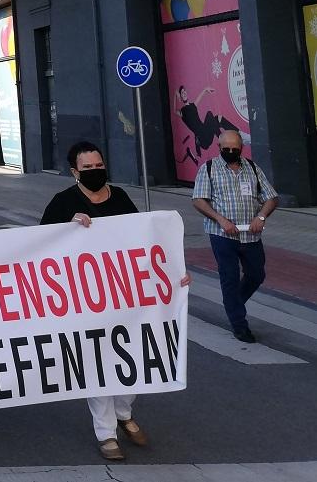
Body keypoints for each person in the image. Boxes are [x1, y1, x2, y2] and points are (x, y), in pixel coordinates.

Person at [41, 141, 191, 461]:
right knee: (97, 364)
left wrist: (173, 272)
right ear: (74, 172)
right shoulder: (62, 203)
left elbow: (144, 242)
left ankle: (124, 413)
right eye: (88, 169)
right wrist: (67, 228)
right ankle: (106, 433)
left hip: (127, 297)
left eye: (100, 166)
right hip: (85, 300)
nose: (96, 172)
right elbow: (40, 247)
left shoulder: (120, 197)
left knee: (132, 358)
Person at [191, 129, 278, 342]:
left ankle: (233, 303)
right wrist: (221, 220)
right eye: (226, 148)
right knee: (229, 278)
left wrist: (262, 217)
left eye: (235, 148)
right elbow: (198, 200)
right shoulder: (209, 169)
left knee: (256, 274)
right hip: (222, 234)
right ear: (219, 148)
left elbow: (271, 197)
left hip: (250, 234)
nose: (230, 151)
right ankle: (240, 325)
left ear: (241, 148)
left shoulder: (253, 169)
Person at [174, 86, 239, 167]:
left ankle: (238, 134)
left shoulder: (193, 105)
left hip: (206, 132)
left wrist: (205, 90)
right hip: (202, 139)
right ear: (181, 96)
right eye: (182, 93)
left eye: (184, 91)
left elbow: (200, 97)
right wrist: (176, 95)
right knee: (209, 114)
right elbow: (174, 110)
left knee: (218, 118)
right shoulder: (182, 112)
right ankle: (222, 141)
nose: (184, 93)